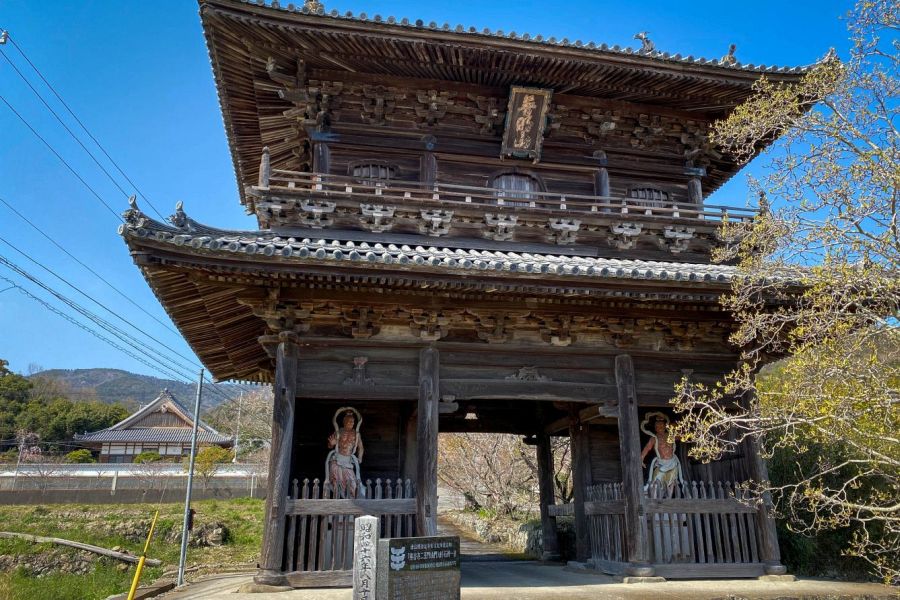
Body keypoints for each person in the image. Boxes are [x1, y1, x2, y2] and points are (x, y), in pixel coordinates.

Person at [640, 413, 683, 494]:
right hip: (661, 464)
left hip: (672, 463)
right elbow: (647, 448)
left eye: (662, 425)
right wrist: (641, 458)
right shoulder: (654, 438)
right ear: (655, 428)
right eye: (657, 426)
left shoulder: (671, 436)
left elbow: (683, 436)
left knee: (671, 483)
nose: (660, 427)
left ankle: (669, 500)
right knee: (655, 483)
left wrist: (676, 426)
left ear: (665, 426)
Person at [327, 409, 364, 497]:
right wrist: (331, 444)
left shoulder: (356, 434)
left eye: (352, 421)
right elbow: (330, 445)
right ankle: (339, 501)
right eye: (349, 421)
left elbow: (361, 447)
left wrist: (360, 458)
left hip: (348, 462)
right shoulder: (338, 431)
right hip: (337, 460)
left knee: (353, 485)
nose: (351, 423)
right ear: (344, 421)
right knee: (336, 483)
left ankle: (353, 502)